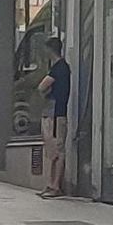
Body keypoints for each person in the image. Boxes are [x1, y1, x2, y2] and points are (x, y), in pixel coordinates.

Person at [38, 36, 71, 198]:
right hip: (58, 113)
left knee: (57, 149)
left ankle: (55, 185)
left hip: (57, 113)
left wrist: (45, 93)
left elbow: (42, 86)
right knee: (54, 150)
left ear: (50, 50)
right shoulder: (63, 68)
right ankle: (51, 184)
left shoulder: (59, 68)